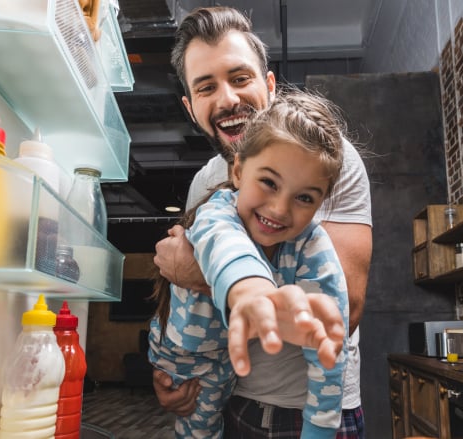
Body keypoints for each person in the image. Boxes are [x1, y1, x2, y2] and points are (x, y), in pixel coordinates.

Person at [153, 6, 372, 438]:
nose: (228, 100)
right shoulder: (205, 182)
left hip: (317, 405)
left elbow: (346, 309)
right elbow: (184, 310)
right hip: (234, 397)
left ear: (268, 85)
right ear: (191, 106)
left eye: (239, 78)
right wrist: (172, 375)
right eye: (206, 87)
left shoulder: (327, 160)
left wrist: (199, 273)